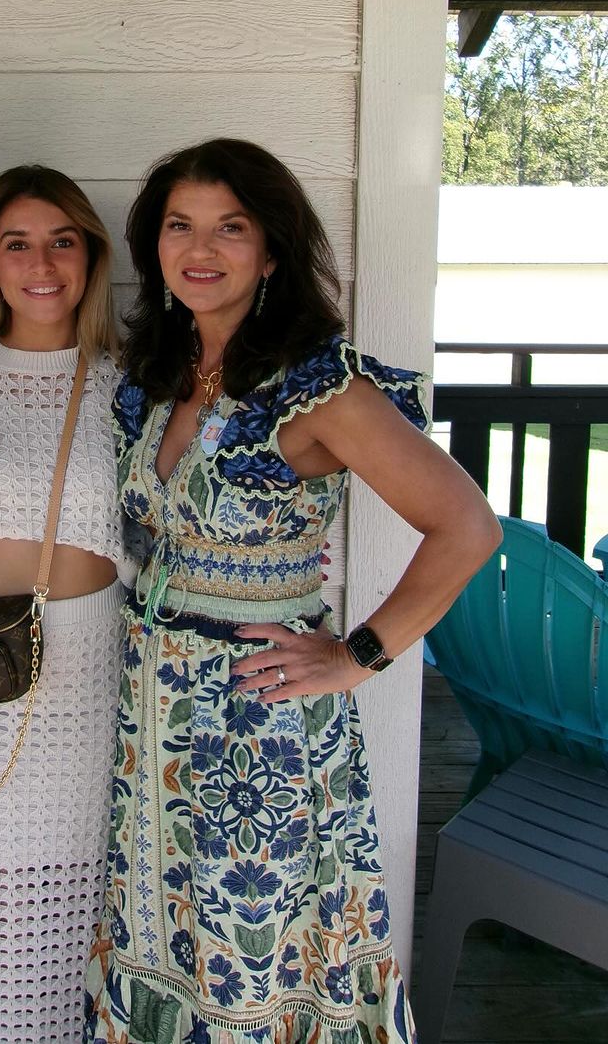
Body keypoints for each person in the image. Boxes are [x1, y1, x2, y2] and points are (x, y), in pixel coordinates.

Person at [84, 139, 501, 1044]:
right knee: (165, 943)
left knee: (256, 957)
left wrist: (357, 655)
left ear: (271, 250)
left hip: (257, 728)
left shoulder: (317, 388)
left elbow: (468, 525)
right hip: (155, 717)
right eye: (180, 226)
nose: (201, 248)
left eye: (230, 228)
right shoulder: (158, 377)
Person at [0, 165, 133, 1044]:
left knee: (84, 889)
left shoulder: (129, 380)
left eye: (62, 242)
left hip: (90, 665)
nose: (41, 264)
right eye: (18, 244)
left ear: (90, 258)